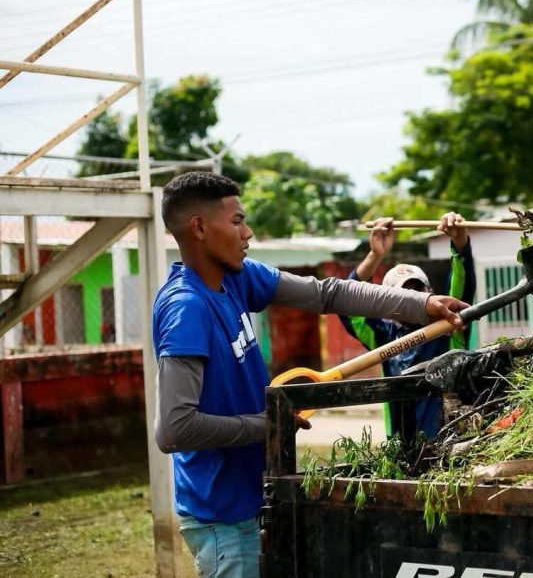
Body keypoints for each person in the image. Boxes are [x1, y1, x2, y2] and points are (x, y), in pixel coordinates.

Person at [151, 172, 468, 578]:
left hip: (250, 499)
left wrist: (419, 303)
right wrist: (270, 425)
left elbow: (326, 293)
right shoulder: (187, 308)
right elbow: (175, 429)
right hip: (221, 515)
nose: (247, 233)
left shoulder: (237, 278)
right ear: (199, 227)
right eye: (236, 221)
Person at [340, 213, 476, 442]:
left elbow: (461, 286)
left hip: (451, 444)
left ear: (430, 293)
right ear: (386, 305)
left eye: (417, 289)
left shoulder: (447, 327)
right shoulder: (382, 337)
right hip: (401, 448)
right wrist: (375, 256)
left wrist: (460, 242)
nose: (412, 297)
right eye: (402, 294)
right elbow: (346, 303)